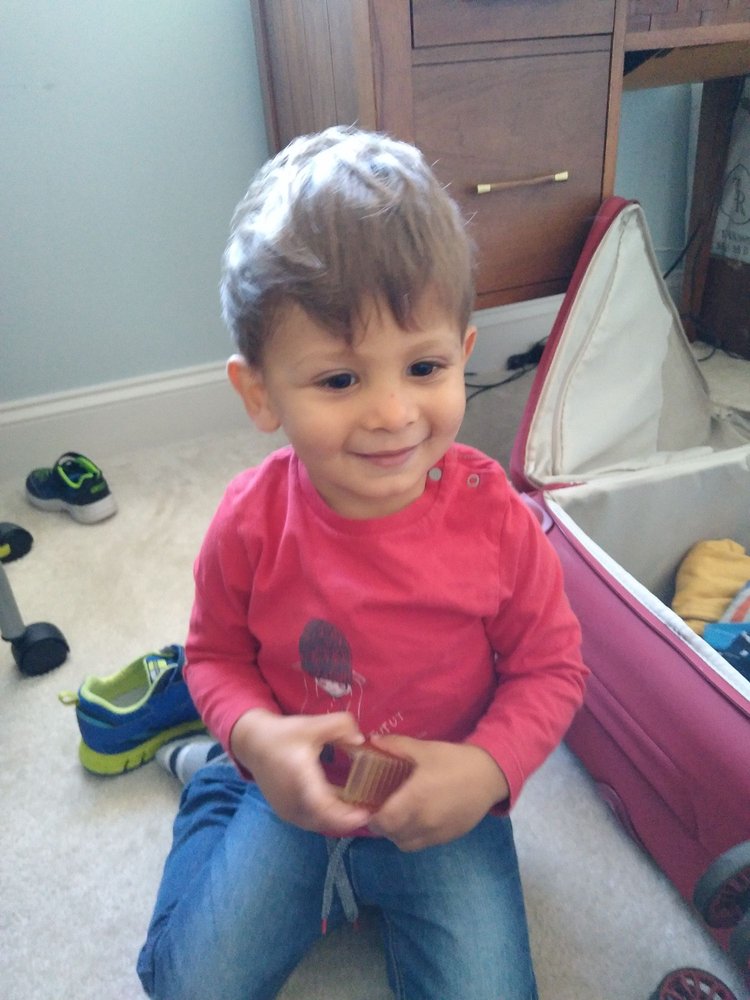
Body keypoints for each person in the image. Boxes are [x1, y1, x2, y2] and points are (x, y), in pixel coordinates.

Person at [137, 126, 588, 1000]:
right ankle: (217, 786)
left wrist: (486, 771)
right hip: (289, 793)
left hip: (443, 802)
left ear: (463, 353)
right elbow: (216, 657)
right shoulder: (250, 522)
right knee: (186, 985)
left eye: (423, 367)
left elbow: (552, 668)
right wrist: (256, 742)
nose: (392, 412)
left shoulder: (497, 519)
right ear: (260, 392)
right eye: (340, 380)